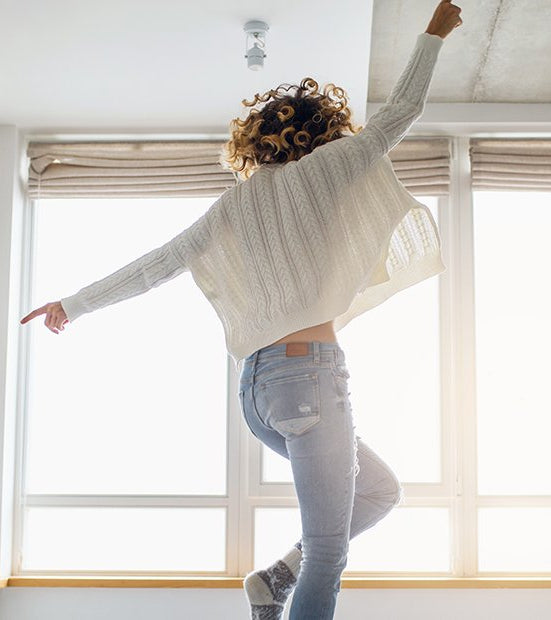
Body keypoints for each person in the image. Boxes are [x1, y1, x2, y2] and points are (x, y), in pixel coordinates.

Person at [21, 1, 462, 617]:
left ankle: (274, 581)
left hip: (257, 394)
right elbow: (402, 112)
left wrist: (71, 304)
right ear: (326, 131)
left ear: (256, 144)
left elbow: (156, 264)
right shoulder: (332, 169)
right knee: (329, 551)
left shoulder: (233, 207)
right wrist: (434, 34)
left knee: (380, 489)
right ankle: (288, 579)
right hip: (309, 378)